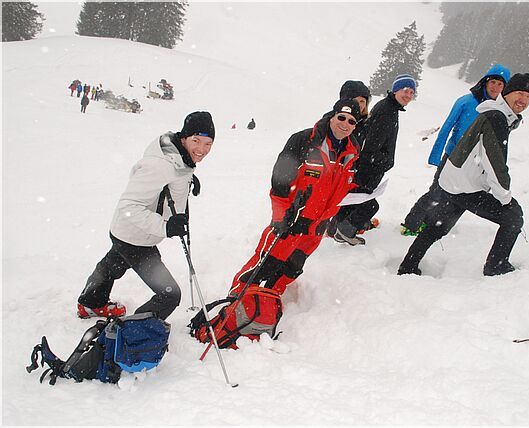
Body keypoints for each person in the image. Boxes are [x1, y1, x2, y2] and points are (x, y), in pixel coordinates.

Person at [76, 111, 215, 320]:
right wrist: (165, 227)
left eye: (208, 144)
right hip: (136, 238)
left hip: (126, 232)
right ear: (184, 137)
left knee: (113, 265)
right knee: (169, 295)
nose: (202, 150)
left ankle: (90, 303)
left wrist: (187, 179)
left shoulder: (179, 158)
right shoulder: (159, 165)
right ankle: (130, 333)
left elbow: (171, 176)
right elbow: (129, 206)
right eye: (196, 141)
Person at [397, 73, 529, 277]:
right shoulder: (496, 118)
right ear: (507, 93)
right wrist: (504, 197)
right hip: (466, 186)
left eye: (528, 96)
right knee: (513, 217)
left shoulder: (494, 113)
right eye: (520, 93)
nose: (523, 99)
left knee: (438, 226)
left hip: (454, 180)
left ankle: (408, 266)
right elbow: (495, 163)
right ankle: (496, 266)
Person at [228, 99, 361, 298]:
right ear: (332, 117)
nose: (345, 124)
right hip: (292, 220)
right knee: (264, 264)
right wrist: (281, 217)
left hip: (317, 227)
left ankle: (269, 301)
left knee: (292, 268)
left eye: (351, 121)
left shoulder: (352, 152)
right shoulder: (305, 140)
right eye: (341, 117)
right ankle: (236, 300)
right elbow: (280, 181)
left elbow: (343, 187)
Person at [401, 64, 511, 236]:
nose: (495, 87)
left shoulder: (499, 110)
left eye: (500, 84)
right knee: (436, 193)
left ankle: (432, 226)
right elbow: (447, 127)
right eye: (493, 82)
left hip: (475, 164)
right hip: (453, 157)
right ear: (485, 82)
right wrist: (436, 156)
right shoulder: (466, 101)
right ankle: (411, 224)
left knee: (457, 199)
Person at [332, 74, 415, 245]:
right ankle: (345, 230)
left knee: (353, 200)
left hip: (370, 165)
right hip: (370, 167)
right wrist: (386, 161)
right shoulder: (387, 111)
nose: (408, 95)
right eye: (405, 91)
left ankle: (336, 229)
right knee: (366, 204)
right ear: (396, 90)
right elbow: (371, 146)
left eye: (411, 92)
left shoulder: (389, 108)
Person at [325, 80, 372, 238]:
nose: (360, 105)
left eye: (363, 101)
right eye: (356, 100)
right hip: (329, 173)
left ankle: (332, 228)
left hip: (347, 173)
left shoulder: (362, 123)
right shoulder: (333, 120)